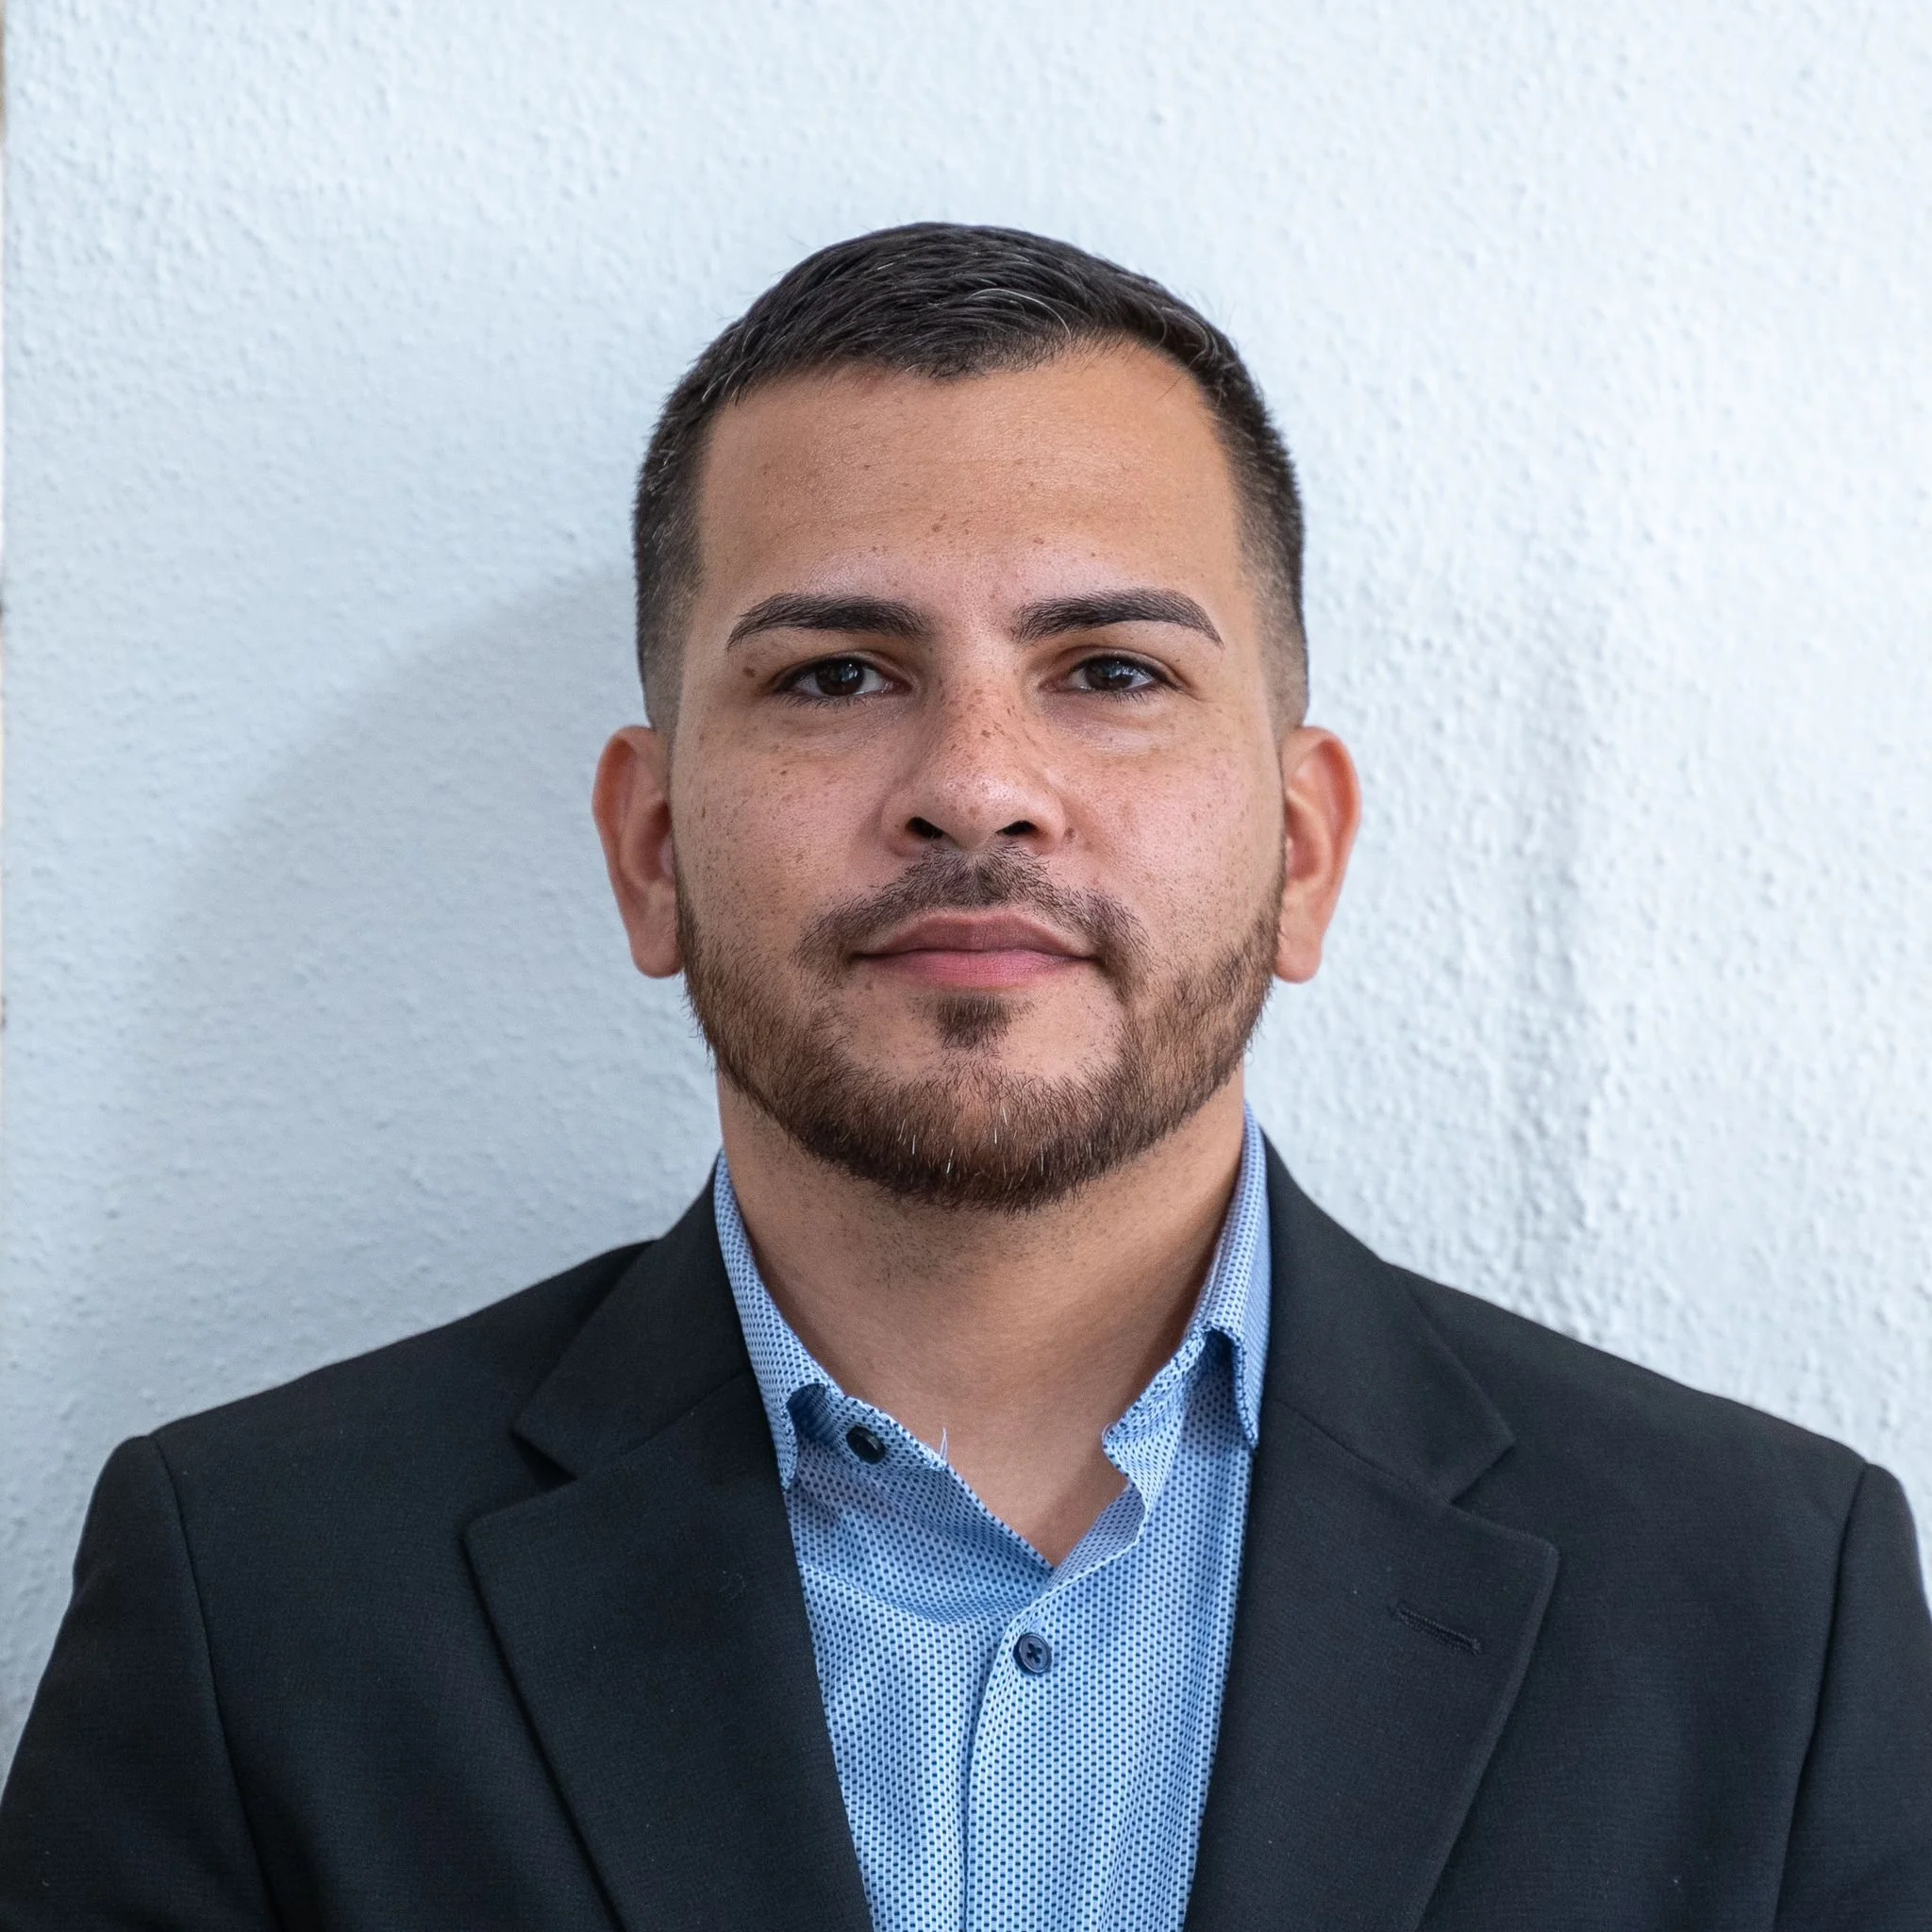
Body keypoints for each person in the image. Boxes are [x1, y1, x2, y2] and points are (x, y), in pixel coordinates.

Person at [2, 223, 1927, 1932]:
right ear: (653, 848)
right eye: (837, 673)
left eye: (1108, 669)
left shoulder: (1768, 1605)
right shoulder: (257, 1595)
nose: (978, 780)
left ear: (1303, 846)